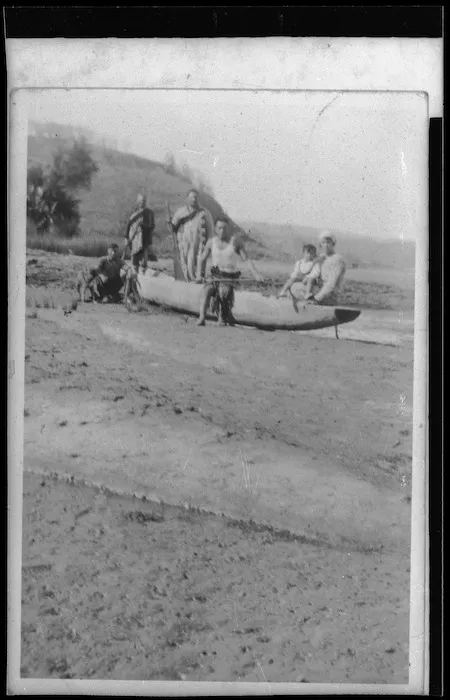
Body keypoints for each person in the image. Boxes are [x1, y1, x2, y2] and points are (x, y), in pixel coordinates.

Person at [195, 217, 263, 326]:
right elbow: (202, 259)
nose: (222, 231)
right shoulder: (211, 242)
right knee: (206, 290)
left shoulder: (235, 242)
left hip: (230, 277)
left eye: (224, 228)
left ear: (228, 229)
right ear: (216, 229)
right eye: (219, 228)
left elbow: (247, 259)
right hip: (215, 276)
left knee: (224, 290)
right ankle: (202, 317)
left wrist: (256, 274)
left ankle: (222, 317)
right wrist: (199, 275)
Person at [169, 189, 214, 281]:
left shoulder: (205, 213)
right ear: (187, 199)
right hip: (184, 246)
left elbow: (211, 233)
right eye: (191, 197)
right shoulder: (180, 212)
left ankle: (197, 284)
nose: (193, 199)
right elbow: (173, 228)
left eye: (195, 197)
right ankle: (185, 284)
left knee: (198, 268)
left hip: (199, 247)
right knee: (184, 268)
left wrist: (208, 248)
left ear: (198, 199)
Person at [306, 231, 346, 305]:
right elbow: (311, 275)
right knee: (296, 287)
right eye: (323, 242)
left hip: (331, 295)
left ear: (333, 244)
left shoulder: (338, 260)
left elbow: (331, 283)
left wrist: (316, 298)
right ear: (320, 245)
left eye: (329, 242)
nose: (326, 245)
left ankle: (314, 304)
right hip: (319, 290)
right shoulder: (321, 257)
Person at [124, 194, 155, 273]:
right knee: (135, 259)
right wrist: (126, 237)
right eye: (141, 201)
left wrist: (144, 226)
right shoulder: (134, 212)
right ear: (138, 202)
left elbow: (152, 226)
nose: (142, 202)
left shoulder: (150, 213)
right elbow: (128, 225)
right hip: (134, 239)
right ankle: (134, 274)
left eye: (144, 201)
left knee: (144, 262)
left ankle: (143, 275)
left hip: (145, 238)